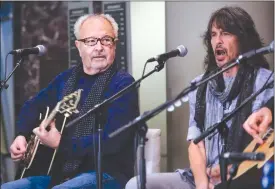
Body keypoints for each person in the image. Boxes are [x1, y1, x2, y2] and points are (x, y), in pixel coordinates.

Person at [126, 6, 274, 189]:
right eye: (213, 34)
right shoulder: (200, 85)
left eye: (225, 33)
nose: (217, 41)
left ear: (242, 38)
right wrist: (203, 184)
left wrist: (227, 171)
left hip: (242, 175)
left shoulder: (265, 81)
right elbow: (195, 144)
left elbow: (266, 145)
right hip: (200, 176)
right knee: (136, 184)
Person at [2, 13, 140, 189]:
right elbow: (33, 105)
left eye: (106, 40)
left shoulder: (122, 83)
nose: (99, 47)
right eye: (91, 41)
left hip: (106, 174)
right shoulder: (67, 79)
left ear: (114, 45)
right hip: (60, 174)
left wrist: (61, 143)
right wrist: (21, 135)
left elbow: (114, 141)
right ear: (78, 46)